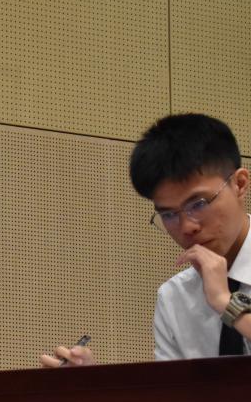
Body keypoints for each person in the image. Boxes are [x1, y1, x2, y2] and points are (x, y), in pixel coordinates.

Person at [41, 114, 251, 367]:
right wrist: (93, 381)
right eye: (169, 214)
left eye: (199, 204)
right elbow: (173, 392)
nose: (187, 227)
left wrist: (225, 302)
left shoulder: (209, 294)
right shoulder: (175, 296)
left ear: (240, 184)